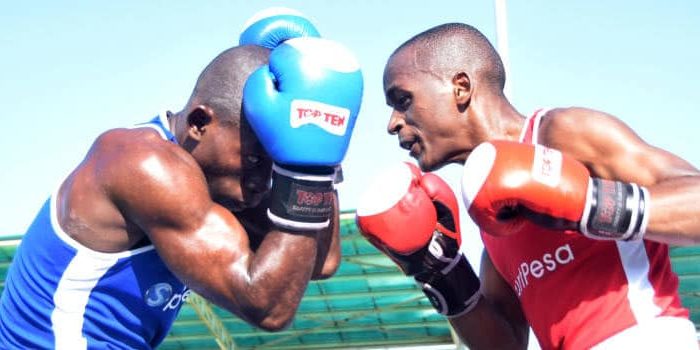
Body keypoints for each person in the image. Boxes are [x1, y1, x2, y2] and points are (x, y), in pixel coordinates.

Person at [0, 9, 363, 349]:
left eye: (275, 165)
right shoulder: (143, 163)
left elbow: (318, 262)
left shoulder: (220, 182)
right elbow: (267, 306)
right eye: (255, 159)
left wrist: (317, 149)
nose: (263, 180)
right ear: (199, 123)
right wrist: (306, 171)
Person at [356, 22, 700, 349]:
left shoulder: (562, 134)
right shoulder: (492, 208)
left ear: (460, 87)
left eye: (402, 100)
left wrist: (588, 203)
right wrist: (442, 273)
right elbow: (506, 343)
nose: (392, 124)